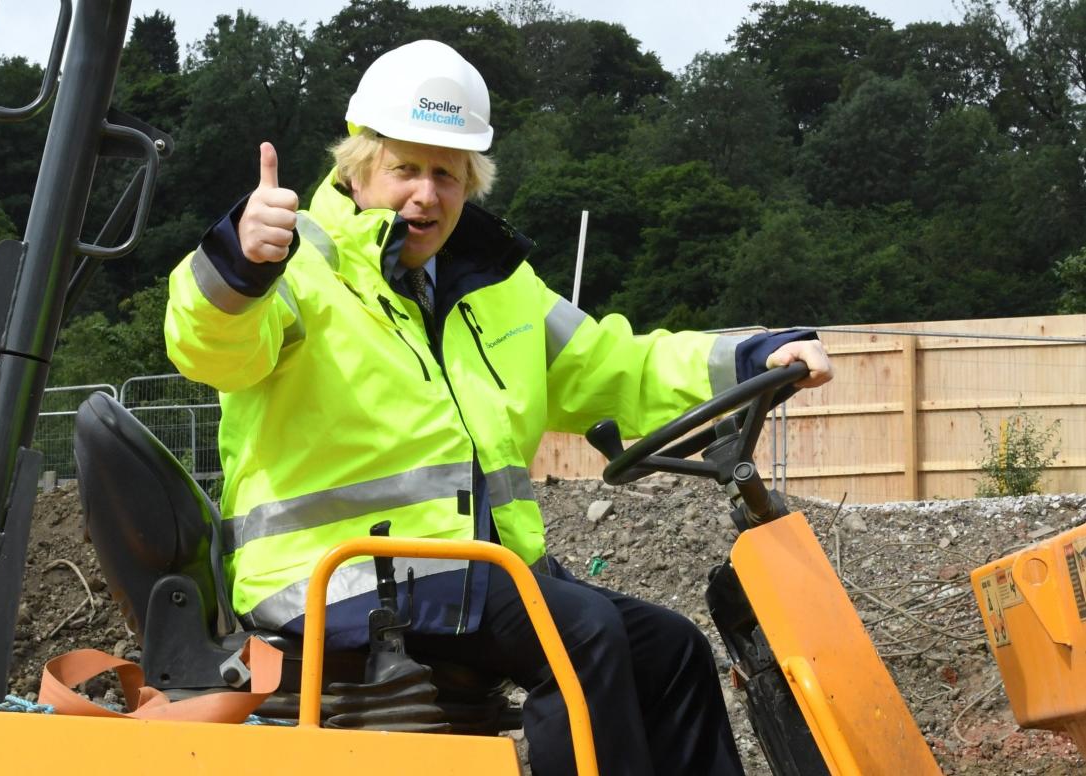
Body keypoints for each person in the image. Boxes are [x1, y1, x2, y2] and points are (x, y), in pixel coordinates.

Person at [165, 38, 831, 776]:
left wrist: (751, 358)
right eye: (406, 169)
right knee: (581, 634)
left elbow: (615, 364)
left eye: (446, 174)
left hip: (467, 571)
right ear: (359, 169)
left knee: (671, 650)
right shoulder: (296, 264)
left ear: (470, 184)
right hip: (340, 576)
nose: (426, 194)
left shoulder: (496, 288)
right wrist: (236, 265)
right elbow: (210, 349)